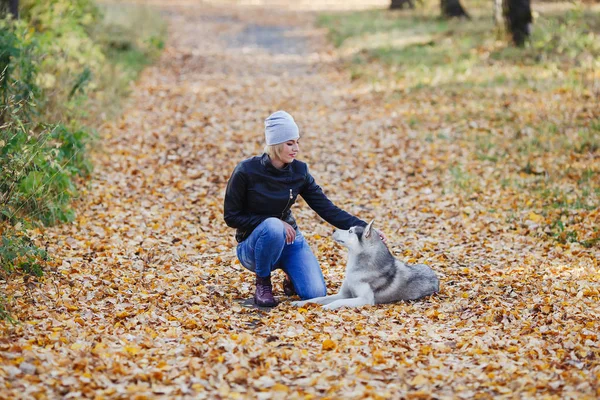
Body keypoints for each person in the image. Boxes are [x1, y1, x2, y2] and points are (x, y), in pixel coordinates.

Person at [224, 110, 381, 307]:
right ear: (275, 144)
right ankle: (263, 283)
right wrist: (273, 222)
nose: (296, 148)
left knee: (315, 293)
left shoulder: (299, 171)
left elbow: (327, 209)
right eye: (290, 143)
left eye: (297, 142)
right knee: (272, 226)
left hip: (290, 240)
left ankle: (290, 273)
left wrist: (365, 228)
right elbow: (231, 217)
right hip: (252, 246)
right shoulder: (246, 171)